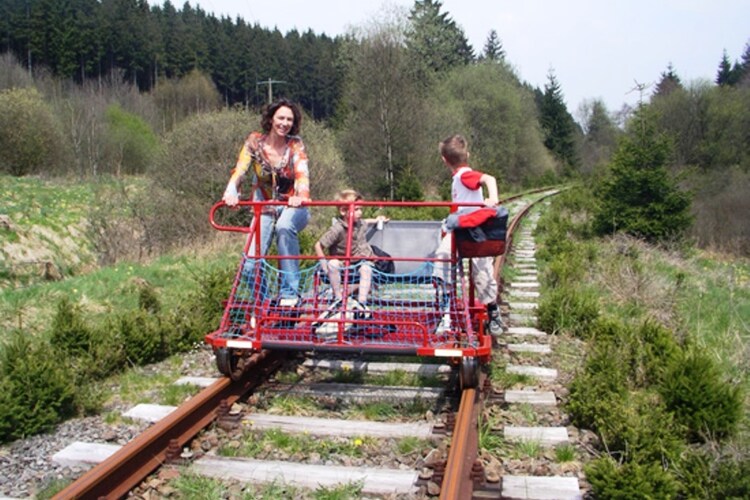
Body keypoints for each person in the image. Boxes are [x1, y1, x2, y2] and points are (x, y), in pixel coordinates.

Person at [223, 98, 310, 302]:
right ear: (271, 119)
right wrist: (231, 191)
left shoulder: (295, 144)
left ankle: (289, 295)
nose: (284, 123)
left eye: (289, 119)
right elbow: (241, 169)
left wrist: (300, 196)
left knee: (284, 227)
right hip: (264, 208)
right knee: (249, 266)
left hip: (293, 206)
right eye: (280, 118)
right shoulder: (255, 142)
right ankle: (265, 303)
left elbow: (302, 174)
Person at [433, 134, 504, 335]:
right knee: (447, 257)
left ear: (444, 160)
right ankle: (449, 309)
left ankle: (490, 310)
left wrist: (493, 199)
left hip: (473, 229)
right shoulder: (458, 178)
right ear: (468, 154)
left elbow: (489, 178)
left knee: (471, 267)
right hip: (461, 228)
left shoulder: (465, 175)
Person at [313, 189, 388, 318]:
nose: (360, 213)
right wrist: (324, 265)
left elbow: (367, 221)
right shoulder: (337, 229)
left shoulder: (359, 224)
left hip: (359, 261)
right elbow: (318, 245)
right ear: (343, 211)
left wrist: (377, 220)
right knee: (333, 264)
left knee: (366, 269)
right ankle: (338, 299)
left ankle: (362, 303)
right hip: (343, 261)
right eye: (357, 209)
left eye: (361, 209)